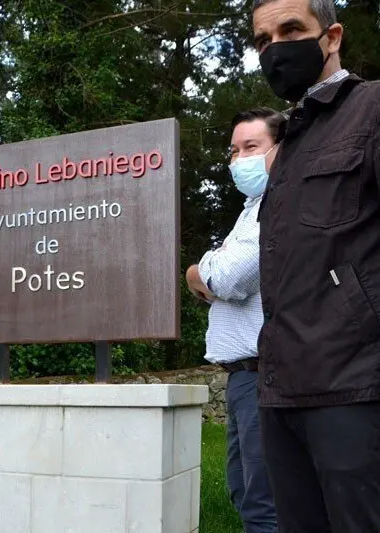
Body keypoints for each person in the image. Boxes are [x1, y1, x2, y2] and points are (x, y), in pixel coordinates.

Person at [252, 0, 380, 530]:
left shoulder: (372, 110)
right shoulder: (288, 143)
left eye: (291, 30)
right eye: (263, 40)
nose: (276, 48)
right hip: (281, 390)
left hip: (355, 386)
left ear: (331, 37)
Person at [186, 107, 284, 533]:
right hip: (244, 377)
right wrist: (214, 274)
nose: (238, 159)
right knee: (245, 493)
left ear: (279, 150)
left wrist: (197, 270)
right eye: (233, 150)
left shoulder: (275, 206)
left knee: (265, 504)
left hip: (264, 375)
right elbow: (225, 283)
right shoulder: (251, 210)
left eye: (251, 147)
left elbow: (226, 278)